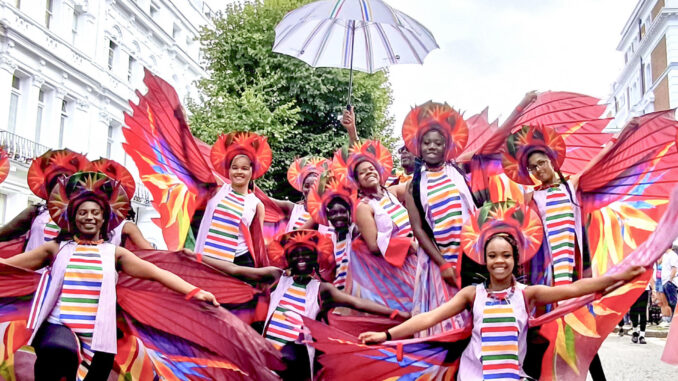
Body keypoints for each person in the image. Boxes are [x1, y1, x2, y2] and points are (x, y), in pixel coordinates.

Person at [358, 201, 645, 381]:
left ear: (514, 259)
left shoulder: (527, 294)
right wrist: (386, 335)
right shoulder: (472, 294)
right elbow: (428, 319)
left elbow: (575, 289)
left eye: (506, 255)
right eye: (493, 255)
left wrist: (619, 276)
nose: (499, 261)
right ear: (484, 259)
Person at [0, 171, 222, 381]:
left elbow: (158, 274)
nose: (89, 217)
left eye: (95, 213)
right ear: (73, 217)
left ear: (104, 218)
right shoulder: (55, 248)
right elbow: (8, 266)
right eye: (83, 212)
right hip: (58, 326)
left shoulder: (114, 253)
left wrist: (196, 291)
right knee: (59, 351)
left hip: (99, 336)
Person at [187, 229, 409, 380]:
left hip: (297, 359)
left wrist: (398, 315)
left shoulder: (323, 290)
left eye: (306, 254)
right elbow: (236, 270)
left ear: (316, 259)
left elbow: (358, 303)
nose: (301, 257)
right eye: (295, 254)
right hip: (265, 352)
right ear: (287, 258)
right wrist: (196, 257)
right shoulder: (276, 277)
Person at [402, 101, 477, 336]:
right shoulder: (413, 185)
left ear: (446, 147)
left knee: (475, 311)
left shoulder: (459, 172)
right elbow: (417, 229)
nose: (432, 147)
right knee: (446, 319)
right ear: (418, 147)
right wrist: (442, 263)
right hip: (438, 261)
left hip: (470, 255)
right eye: (427, 143)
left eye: (438, 143)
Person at [331, 140, 418, 312]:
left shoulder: (392, 193)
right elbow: (374, 245)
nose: (368, 173)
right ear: (356, 182)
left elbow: (415, 183)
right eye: (362, 172)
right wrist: (408, 245)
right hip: (398, 267)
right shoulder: (363, 207)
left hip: (417, 257)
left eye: (371, 169)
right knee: (414, 309)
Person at [192, 131, 270, 268]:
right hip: (207, 259)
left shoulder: (257, 204)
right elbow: (193, 163)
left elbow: (258, 241)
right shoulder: (217, 189)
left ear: (253, 172)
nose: (239, 172)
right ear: (229, 170)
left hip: (240, 262)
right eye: (234, 168)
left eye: (245, 168)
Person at [0, 149, 89, 251]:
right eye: (57, 181)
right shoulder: (37, 211)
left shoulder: (86, 215)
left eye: (68, 182)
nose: (61, 185)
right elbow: (4, 233)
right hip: (30, 265)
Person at [306, 171, 358, 291]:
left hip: (357, 293)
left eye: (342, 211)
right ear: (327, 217)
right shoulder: (333, 238)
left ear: (349, 212)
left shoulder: (354, 231)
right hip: (339, 293)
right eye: (333, 213)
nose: (338, 216)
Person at [661, 245, 678, 320]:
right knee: (669, 303)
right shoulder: (665, 255)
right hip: (664, 281)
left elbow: (674, 268)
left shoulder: (673, 255)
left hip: (669, 282)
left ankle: (675, 320)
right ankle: (672, 320)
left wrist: (670, 280)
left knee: (673, 302)